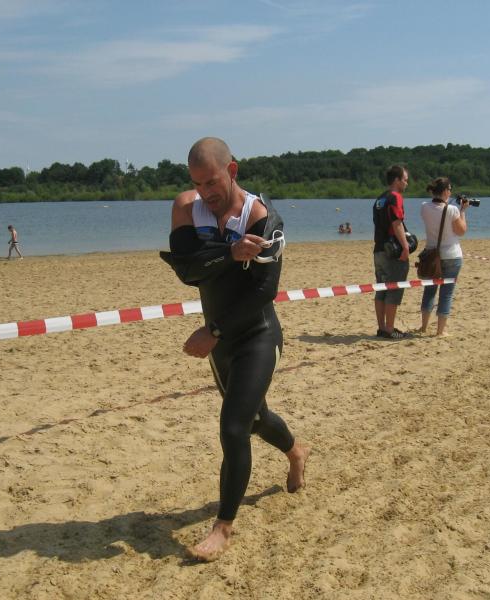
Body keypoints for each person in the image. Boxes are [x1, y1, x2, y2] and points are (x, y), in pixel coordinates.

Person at [160, 137, 309, 562]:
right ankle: (296, 451)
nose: (205, 191)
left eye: (211, 181)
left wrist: (215, 329)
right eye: (197, 183)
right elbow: (188, 270)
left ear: (232, 170)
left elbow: (264, 290)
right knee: (255, 419)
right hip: (221, 341)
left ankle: (222, 528)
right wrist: (230, 252)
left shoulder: (261, 217)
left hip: (257, 334)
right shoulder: (186, 208)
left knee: (232, 427)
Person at [418, 177, 466, 337]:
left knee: (429, 290)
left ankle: (424, 327)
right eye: (450, 189)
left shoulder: (424, 207)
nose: (450, 192)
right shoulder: (452, 210)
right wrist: (463, 211)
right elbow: (461, 231)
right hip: (451, 255)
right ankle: (440, 330)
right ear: (445, 191)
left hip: (432, 255)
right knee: (446, 293)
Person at [372, 165, 411, 339]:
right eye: (405, 180)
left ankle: (381, 327)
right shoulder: (395, 197)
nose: (407, 183)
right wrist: (405, 246)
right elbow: (397, 223)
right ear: (396, 180)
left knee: (381, 289)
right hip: (392, 251)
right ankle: (389, 329)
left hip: (378, 250)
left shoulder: (379, 199)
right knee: (394, 289)